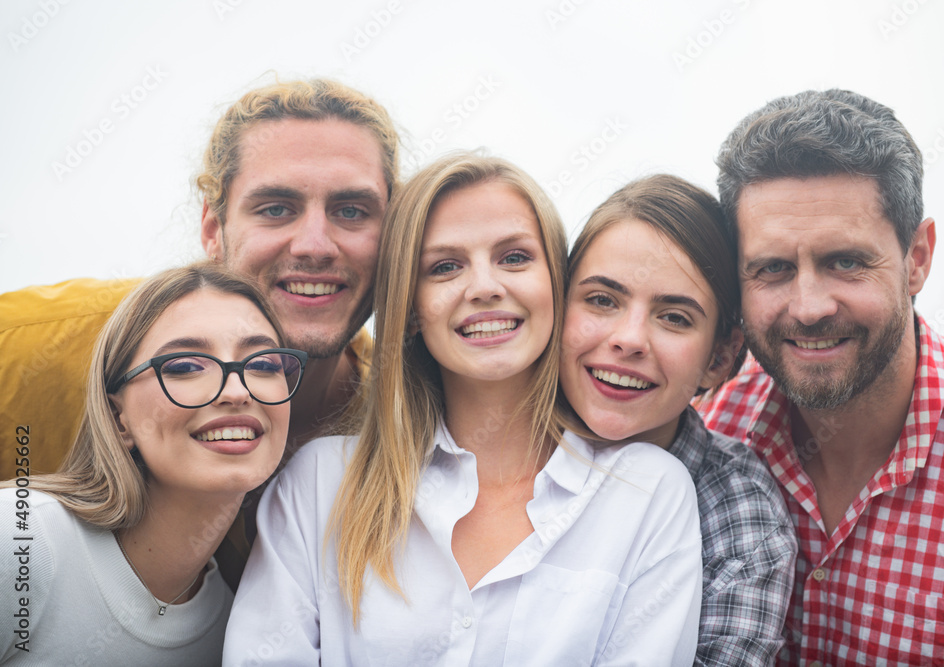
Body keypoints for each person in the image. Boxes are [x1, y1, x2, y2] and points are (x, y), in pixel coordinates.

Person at [224, 153, 703, 665]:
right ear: (410, 309)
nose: (484, 287)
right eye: (445, 267)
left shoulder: (648, 491)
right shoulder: (318, 485)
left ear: (556, 287)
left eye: (514, 258)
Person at [699, 89, 944, 665]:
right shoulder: (709, 432)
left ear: (917, 257)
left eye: (846, 262)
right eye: (773, 269)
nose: (808, 307)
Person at [0, 76, 398, 482]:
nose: (315, 246)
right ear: (212, 227)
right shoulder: (26, 348)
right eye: (276, 209)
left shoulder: (413, 421)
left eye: (351, 211)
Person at [0, 263, 306, 665]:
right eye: (184, 366)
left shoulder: (241, 628)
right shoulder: (20, 539)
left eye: (263, 364)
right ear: (117, 418)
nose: (236, 391)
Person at [559, 174, 796, 665]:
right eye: (602, 300)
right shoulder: (485, 436)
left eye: (674, 317)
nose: (629, 339)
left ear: (720, 358)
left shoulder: (739, 515)